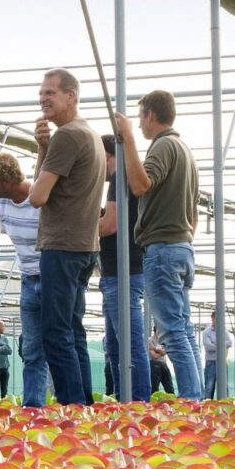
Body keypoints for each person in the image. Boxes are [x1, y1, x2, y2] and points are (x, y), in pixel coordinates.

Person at [110, 91, 201, 399]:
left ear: (150, 115)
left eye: (140, 117)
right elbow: (194, 211)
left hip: (163, 248)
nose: (138, 124)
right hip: (181, 246)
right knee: (183, 329)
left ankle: (191, 400)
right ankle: (198, 398)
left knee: (172, 332)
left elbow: (140, 184)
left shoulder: (163, 146)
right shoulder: (184, 150)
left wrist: (128, 139)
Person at [30, 69, 105, 408]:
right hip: (84, 246)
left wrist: (45, 149)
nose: (43, 99)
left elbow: (37, 196)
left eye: (51, 93)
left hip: (62, 245)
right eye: (41, 93)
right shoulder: (88, 134)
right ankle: (83, 405)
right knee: (73, 331)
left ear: (71, 96)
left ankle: (72, 407)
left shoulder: (68, 136)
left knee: (55, 333)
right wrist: (43, 147)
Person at [0, 153, 48, 408]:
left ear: (5, 180)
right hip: (28, 280)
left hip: (52, 277)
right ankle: (33, 406)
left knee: (62, 343)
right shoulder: (2, 205)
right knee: (31, 348)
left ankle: (74, 405)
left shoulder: (40, 199)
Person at [97, 132, 149, 403]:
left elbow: (110, 225)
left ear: (106, 155)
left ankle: (137, 403)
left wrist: (77, 226)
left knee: (129, 344)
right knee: (117, 346)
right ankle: (124, 402)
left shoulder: (120, 179)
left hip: (123, 272)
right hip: (116, 272)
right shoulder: (122, 180)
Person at [203, 311, 233, 400]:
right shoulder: (206, 332)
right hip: (211, 362)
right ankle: (207, 403)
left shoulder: (224, 331)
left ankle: (225, 403)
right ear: (212, 318)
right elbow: (208, 347)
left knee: (224, 385)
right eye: (215, 318)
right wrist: (222, 345)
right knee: (209, 386)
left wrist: (215, 343)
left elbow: (230, 343)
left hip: (222, 362)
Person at [147, 325, 175, 396]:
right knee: (154, 387)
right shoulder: (150, 340)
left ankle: (172, 399)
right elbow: (154, 356)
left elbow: (165, 352)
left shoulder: (163, 340)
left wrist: (154, 348)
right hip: (154, 364)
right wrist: (161, 351)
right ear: (155, 331)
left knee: (169, 386)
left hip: (164, 364)